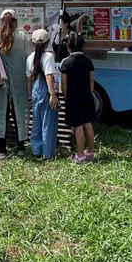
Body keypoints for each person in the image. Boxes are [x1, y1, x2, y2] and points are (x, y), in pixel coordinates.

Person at [0, 9, 31, 159]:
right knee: (18, 112)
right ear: (16, 22)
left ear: (0, 21)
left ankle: (1, 150)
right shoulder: (22, 37)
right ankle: (20, 147)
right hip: (19, 83)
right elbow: (30, 58)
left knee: (0, 113)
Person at [60, 32, 96, 164]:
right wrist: (90, 93)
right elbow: (91, 80)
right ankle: (90, 151)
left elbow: (64, 84)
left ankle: (80, 156)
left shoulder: (66, 62)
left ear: (68, 46)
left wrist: (66, 98)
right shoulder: (88, 60)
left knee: (78, 125)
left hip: (73, 98)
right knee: (88, 123)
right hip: (87, 96)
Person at [26, 29, 59, 160]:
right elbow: (48, 76)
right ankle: (47, 153)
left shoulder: (30, 57)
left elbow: (28, 79)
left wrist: (29, 96)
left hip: (35, 90)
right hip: (46, 90)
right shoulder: (48, 56)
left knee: (36, 122)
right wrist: (52, 95)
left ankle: (36, 150)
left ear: (32, 43)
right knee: (48, 123)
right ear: (47, 43)